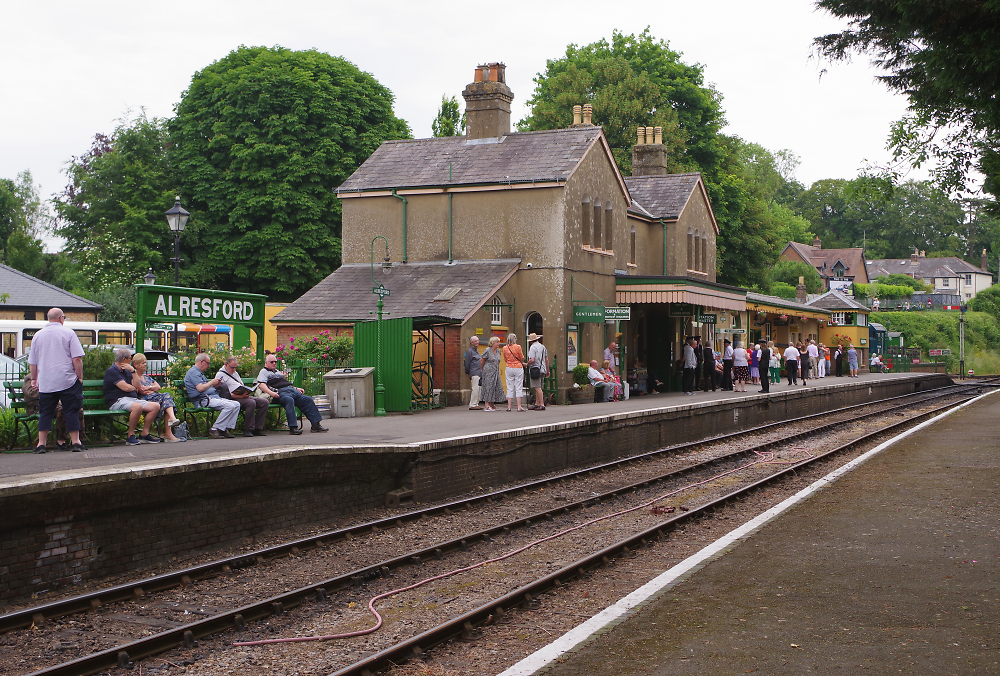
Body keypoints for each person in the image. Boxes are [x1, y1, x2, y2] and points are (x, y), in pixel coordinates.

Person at [26, 308, 86, 453]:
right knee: (71, 410)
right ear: (60, 318)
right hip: (67, 380)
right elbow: (77, 358)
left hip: (46, 382)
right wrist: (79, 376)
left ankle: (41, 444)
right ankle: (76, 442)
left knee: (45, 412)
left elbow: (32, 362)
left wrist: (34, 379)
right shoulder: (68, 333)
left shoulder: (38, 335)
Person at [255, 354, 329, 434]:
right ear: (266, 363)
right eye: (271, 362)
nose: (274, 363)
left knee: (308, 400)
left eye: (275, 362)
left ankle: (316, 425)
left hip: (291, 391)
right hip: (279, 393)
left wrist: (296, 388)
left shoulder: (278, 372)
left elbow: (285, 383)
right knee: (289, 400)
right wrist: (272, 393)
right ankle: (293, 427)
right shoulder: (264, 372)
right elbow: (261, 385)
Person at [105, 347, 162, 445]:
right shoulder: (112, 371)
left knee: (155, 406)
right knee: (137, 407)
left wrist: (133, 371)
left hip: (131, 400)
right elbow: (125, 388)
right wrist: (133, 387)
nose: (131, 361)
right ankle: (130, 435)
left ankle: (144, 434)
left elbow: (137, 386)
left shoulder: (128, 371)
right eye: (129, 359)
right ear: (124, 359)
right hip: (117, 401)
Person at [185, 353, 241, 439]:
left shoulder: (199, 373)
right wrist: (212, 382)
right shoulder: (193, 372)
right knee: (230, 406)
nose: (208, 366)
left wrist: (215, 385)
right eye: (207, 363)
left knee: (236, 404)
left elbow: (205, 387)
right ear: (201, 362)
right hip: (203, 400)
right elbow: (200, 388)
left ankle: (223, 428)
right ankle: (214, 429)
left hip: (211, 398)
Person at [132, 353, 183, 442]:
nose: (145, 364)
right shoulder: (134, 377)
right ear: (135, 365)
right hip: (144, 400)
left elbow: (158, 387)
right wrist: (152, 388)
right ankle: (170, 428)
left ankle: (170, 427)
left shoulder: (146, 377)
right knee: (166, 398)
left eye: (145, 362)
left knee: (166, 401)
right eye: (143, 363)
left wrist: (149, 388)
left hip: (155, 398)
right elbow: (142, 390)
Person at [217, 355, 269, 437]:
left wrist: (246, 391)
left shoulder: (235, 373)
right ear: (226, 365)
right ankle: (248, 429)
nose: (234, 369)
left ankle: (257, 428)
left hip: (242, 395)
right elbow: (224, 394)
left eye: (235, 367)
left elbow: (241, 384)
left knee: (264, 402)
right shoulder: (220, 375)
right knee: (251, 403)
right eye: (232, 367)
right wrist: (241, 397)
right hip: (231, 398)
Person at [478, 336, 506, 411]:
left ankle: (492, 404)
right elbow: (482, 360)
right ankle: (487, 405)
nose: (498, 343)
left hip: (496, 371)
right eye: (497, 342)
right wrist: (482, 369)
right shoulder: (487, 350)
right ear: (493, 343)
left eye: (499, 342)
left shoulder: (498, 351)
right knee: (488, 387)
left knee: (496, 387)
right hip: (488, 371)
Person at [502, 333, 527, 412]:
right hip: (518, 367)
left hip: (509, 367)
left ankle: (509, 406)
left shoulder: (505, 348)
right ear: (515, 339)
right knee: (518, 386)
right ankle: (519, 406)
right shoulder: (518, 347)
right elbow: (522, 357)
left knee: (509, 387)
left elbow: (505, 359)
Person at [527, 333, 548, 410]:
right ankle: (537, 403)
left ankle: (542, 404)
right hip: (542, 369)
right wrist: (547, 370)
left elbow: (532, 359)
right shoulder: (543, 347)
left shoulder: (533, 347)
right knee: (539, 387)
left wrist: (527, 364)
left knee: (537, 388)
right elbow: (546, 359)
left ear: (531, 341)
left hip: (535, 369)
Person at [464, 336, 483, 410]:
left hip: (479, 372)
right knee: (475, 388)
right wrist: (468, 372)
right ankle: (472, 404)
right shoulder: (470, 351)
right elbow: (467, 363)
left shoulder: (476, 351)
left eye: (478, 340)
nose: (477, 342)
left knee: (478, 389)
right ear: (471, 342)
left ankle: (476, 403)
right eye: (475, 341)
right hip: (474, 372)